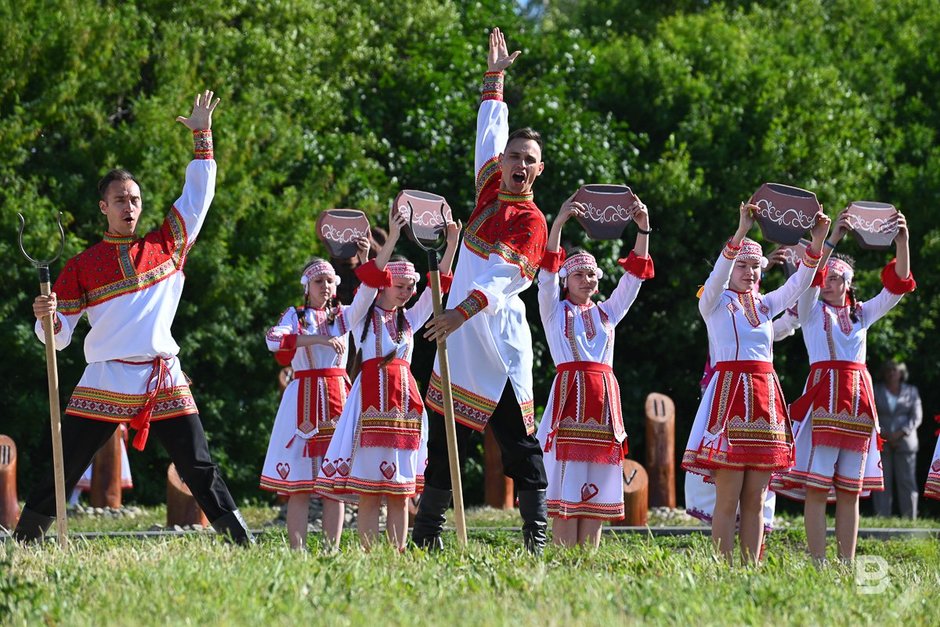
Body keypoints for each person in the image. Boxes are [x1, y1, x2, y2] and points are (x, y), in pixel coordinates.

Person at [14, 90, 252, 545]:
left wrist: (203, 137)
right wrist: (46, 317)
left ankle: (241, 539)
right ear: (103, 206)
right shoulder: (81, 266)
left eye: (136, 199)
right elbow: (58, 336)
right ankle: (27, 540)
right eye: (120, 199)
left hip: (162, 374)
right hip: (105, 376)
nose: (130, 206)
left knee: (198, 462)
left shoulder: (167, 245)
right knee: (66, 463)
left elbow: (198, 197)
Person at [413, 27, 551, 554]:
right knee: (446, 439)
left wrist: (455, 313)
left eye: (528, 160)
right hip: (458, 330)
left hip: (495, 336)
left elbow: (503, 277)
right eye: (514, 157)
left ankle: (535, 540)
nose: (517, 164)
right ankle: (428, 535)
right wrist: (494, 81)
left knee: (517, 442)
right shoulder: (491, 191)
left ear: (540, 170)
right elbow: (489, 138)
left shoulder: (532, 222)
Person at [682, 202, 828, 564]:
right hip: (729, 400)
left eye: (754, 266)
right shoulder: (712, 303)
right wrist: (742, 230)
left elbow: (799, 283)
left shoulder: (764, 305)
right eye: (741, 265)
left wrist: (818, 242)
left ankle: (750, 570)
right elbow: (716, 277)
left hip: (764, 401)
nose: (748, 272)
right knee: (728, 497)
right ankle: (722, 569)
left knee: (755, 499)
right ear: (730, 267)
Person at [771, 211, 915, 562]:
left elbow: (896, 287)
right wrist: (833, 236)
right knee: (818, 488)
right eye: (827, 277)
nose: (830, 282)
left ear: (848, 283)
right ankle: (819, 562)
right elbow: (810, 278)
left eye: (837, 277)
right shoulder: (809, 309)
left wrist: (902, 242)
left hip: (858, 404)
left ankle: (846, 564)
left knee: (850, 492)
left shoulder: (862, 314)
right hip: (824, 401)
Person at [314, 209, 458, 551]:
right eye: (400, 286)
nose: (407, 292)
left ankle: (396, 556)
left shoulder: (410, 318)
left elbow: (440, 285)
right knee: (369, 491)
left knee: (399, 489)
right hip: (369, 404)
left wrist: (451, 243)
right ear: (385, 286)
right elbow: (369, 282)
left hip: (404, 407)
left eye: (410, 287)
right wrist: (392, 237)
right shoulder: (360, 314)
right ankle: (367, 556)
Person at [535, 196, 654, 548]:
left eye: (591, 274)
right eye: (579, 274)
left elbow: (634, 278)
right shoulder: (554, 312)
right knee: (566, 489)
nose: (586, 279)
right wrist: (558, 224)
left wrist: (643, 226)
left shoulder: (607, 313)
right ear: (565, 279)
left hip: (603, 406)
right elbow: (545, 275)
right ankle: (562, 564)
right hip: (569, 402)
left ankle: (587, 563)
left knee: (596, 490)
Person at [260, 252, 367, 550]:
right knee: (300, 486)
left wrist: (370, 257)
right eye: (319, 281)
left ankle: (331, 549)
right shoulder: (295, 315)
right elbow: (273, 340)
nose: (325, 286)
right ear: (306, 286)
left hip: (336, 399)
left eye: (330, 281)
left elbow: (369, 296)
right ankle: (298, 551)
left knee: (333, 485)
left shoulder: (343, 316)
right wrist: (317, 339)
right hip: (302, 400)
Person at [872, 360, 923, 518]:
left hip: (906, 442)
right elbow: (872, 413)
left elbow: (917, 417)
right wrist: (885, 433)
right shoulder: (876, 390)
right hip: (883, 441)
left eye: (894, 370)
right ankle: (881, 517)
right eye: (888, 370)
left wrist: (901, 433)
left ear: (901, 373)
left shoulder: (911, 391)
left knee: (906, 481)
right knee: (882, 481)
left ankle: (910, 518)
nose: (891, 373)